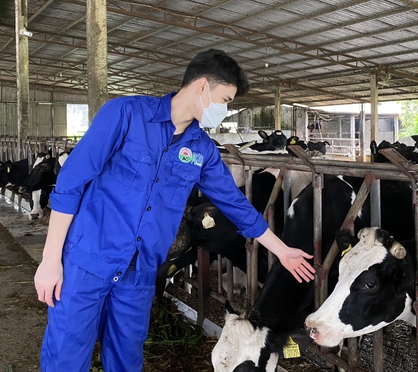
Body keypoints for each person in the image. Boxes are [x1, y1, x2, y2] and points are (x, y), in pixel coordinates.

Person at [34, 49, 315, 372]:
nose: (224, 110)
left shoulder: (202, 150)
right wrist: (50, 259)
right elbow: (71, 182)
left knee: (126, 361)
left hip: (140, 274)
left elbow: (235, 205)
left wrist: (281, 251)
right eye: (224, 100)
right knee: (65, 359)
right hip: (86, 262)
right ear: (201, 87)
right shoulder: (125, 115)